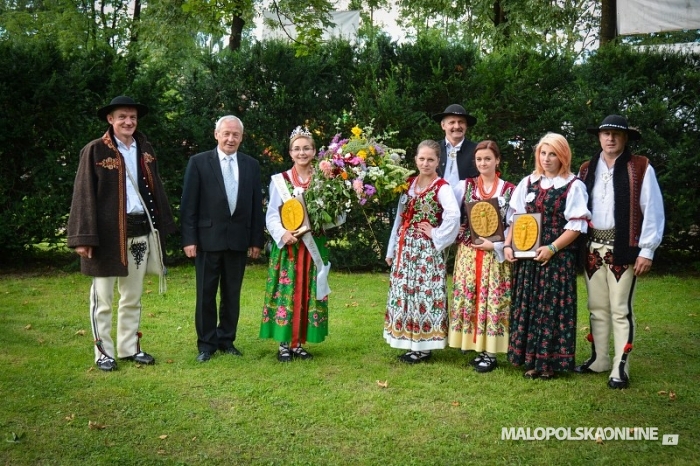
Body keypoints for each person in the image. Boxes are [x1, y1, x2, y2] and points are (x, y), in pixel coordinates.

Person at [67, 95, 176, 372]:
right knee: (102, 298)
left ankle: (129, 347)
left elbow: (156, 190)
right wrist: (83, 237)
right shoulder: (94, 150)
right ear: (110, 119)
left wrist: (164, 228)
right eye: (122, 117)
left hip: (139, 232)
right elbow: (83, 193)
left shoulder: (146, 150)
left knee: (133, 295)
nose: (128, 122)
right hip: (105, 237)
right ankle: (103, 351)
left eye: (133, 117)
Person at [575, 115, 665, 389]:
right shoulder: (586, 169)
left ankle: (619, 366)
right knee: (597, 307)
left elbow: (653, 209)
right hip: (593, 248)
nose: (610, 138)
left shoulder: (640, 167)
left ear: (626, 138)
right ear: (599, 137)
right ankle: (600, 359)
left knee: (620, 309)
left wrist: (646, 249)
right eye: (605, 134)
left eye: (616, 134)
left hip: (623, 248)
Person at [505, 133, 591, 380]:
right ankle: (530, 361)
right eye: (543, 153)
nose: (546, 159)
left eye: (552, 153)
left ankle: (549, 363)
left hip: (556, 258)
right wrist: (509, 246)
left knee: (551, 309)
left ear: (563, 155)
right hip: (528, 256)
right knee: (530, 307)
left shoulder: (573, 185)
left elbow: (576, 226)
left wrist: (552, 248)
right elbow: (515, 218)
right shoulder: (528, 182)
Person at [181, 115, 265, 363]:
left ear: (241, 137)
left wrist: (256, 240)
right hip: (207, 240)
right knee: (205, 294)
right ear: (216, 134)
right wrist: (189, 239)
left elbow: (255, 207)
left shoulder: (251, 165)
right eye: (226, 133)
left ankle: (227, 340)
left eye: (235, 134)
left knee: (232, 294)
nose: (231, 138)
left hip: (238, 241)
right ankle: (207, 344)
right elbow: (188, 205)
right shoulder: (198, 163)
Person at [260, 126, 337, 362]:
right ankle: (285, 343)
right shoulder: (280, 181)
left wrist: (327, 219)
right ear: (290, 153)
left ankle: (300, 343)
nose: (302, 152)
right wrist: (283, 234)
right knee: (288, 290)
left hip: (314, 245)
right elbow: (272, 213)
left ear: (314, 151)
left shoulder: (326, 179)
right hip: (290, 246)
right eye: (297, 149)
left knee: (309, 290)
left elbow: (337, 215)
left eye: (306, 148)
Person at [384, 140, 460, 363]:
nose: (425, 163)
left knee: (424, 292)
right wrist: (391, 249)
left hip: (425, 251)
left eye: (431, 159)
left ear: (438, 161)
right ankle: (409, 341)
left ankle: (424, 346)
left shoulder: (441, 187)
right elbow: (399, 217)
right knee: (406, 292)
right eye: (421, 159)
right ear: (415, 159)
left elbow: (453, 215)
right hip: (404, 247)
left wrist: (436, 233)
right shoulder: (408, 183)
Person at [448, 140, 516, 373]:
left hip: (494, 254)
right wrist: (453, 230)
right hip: (469, 252)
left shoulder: (509, 190)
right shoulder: (464, 186)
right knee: (470, 296)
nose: (483, 163)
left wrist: (496, 245)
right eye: (479, 159)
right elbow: (450, 214)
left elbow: (515, 224)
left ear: (497, 160)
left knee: (493, 299)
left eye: (488, 158)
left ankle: (490, 352)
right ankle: (470, 344)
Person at [432, 104, 479, 187]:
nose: (457, 126)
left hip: (468, 199)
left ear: (466, 125)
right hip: (436, 198)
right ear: (443, 125)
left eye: (461, 122)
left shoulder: (477, 150)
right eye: (452, 122)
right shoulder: (433, 149)